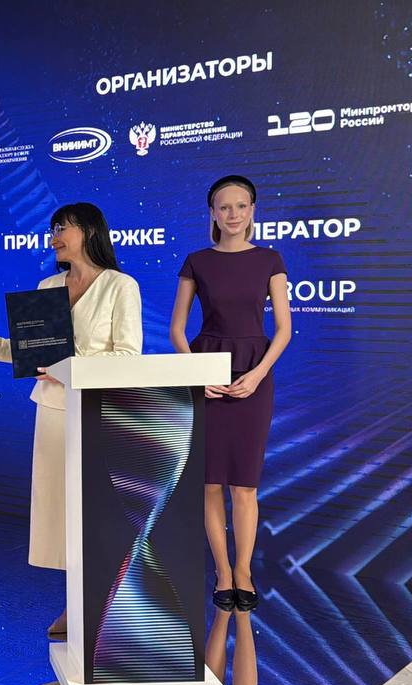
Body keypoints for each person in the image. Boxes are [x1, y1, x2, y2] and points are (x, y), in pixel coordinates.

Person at [0, 202, 142, 638]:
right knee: (62, 514)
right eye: (53, 227)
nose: (55, 235)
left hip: (98, 414)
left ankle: (107, 605)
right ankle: (76, 603)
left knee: (98, 513)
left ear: (90, 232)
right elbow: (31, 352)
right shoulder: (48, 286)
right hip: (53, 412)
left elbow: (127, 356)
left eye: (64, 227)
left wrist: (68, 366)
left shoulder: (120, 286)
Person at [169, 175, 290, 613]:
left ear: (253, 210)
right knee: (209, 483)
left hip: (255, 373)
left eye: (241, 206)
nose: (233, 214)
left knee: (244, 484)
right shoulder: (197, 261)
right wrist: (195, 376)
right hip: (208, 373)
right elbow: (177, 329)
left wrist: (258, 375)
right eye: (224, 207)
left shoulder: (270, 259)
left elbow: (284, 329)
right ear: (213, 214)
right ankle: (222, 573)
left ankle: (244, 572)